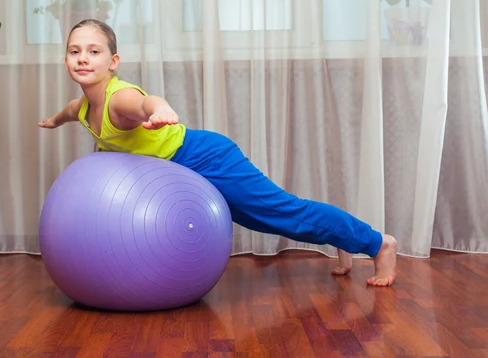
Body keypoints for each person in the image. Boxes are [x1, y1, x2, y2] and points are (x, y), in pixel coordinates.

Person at [39, 19, 397, 287]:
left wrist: (160, 111)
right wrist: (52, 122)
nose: (83, 59)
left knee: (279, 214)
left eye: (94, 51)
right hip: (179, 173)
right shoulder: (83, 107)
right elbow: (69, 114)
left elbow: (147, 101)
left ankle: (379, 244)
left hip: (206, 158)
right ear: (66, 58)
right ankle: (341, 236)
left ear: (113, 61)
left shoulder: (120, 99)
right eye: (75, 51)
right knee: (261, 219)